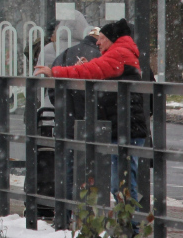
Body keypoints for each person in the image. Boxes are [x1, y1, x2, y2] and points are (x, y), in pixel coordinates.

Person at [35, 18, 146, 202]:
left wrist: (54, 72)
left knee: (121, 182)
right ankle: (129, 222)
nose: (98, 41)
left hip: (125, 126)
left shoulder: (118, 54)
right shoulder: (120, 53)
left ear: (112, 39)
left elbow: (92, 71)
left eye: (101, 38)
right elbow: (98, 71)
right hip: (125, 125)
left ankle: (131, 225)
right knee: (121, 181)